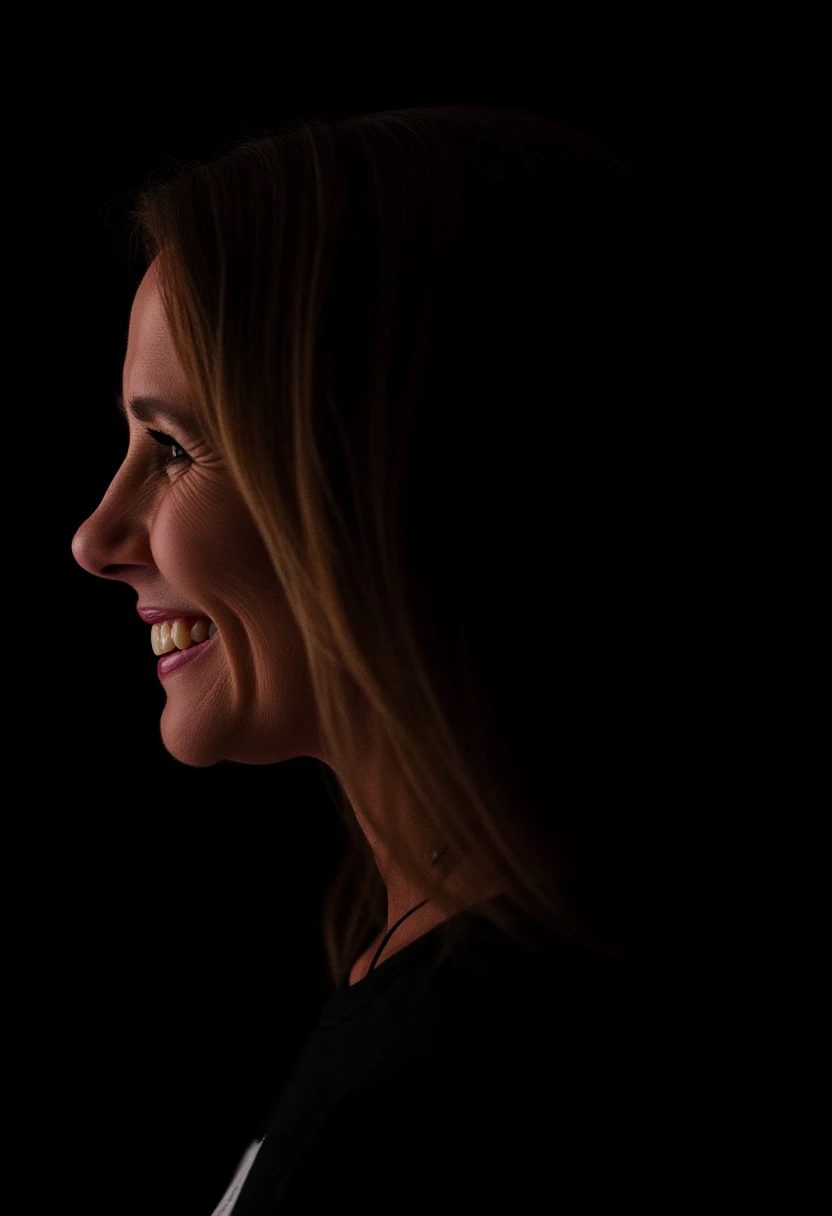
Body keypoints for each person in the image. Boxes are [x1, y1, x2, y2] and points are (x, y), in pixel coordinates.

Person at [71, 105, 806, 1213]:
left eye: (172, 447)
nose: (95, 538)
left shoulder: (510, 1085)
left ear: (390, 475)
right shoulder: (425, 985)